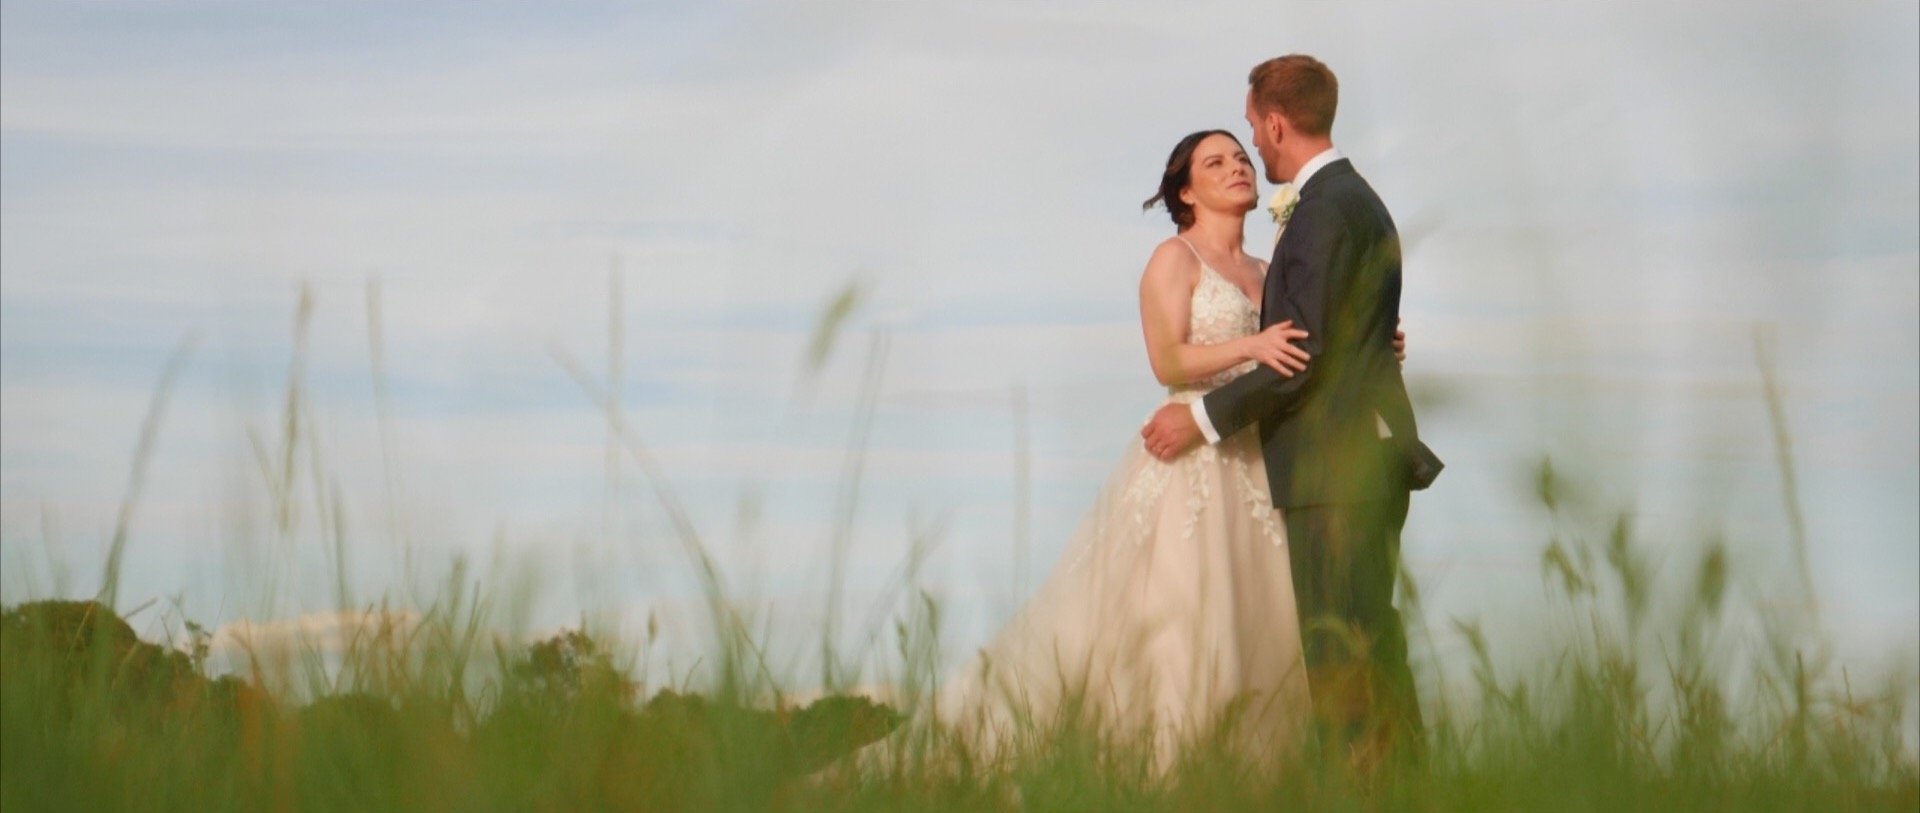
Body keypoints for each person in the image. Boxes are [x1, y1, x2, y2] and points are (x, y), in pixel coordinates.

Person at [927, 124, 1407, 772]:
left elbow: (1307, 350)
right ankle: (1175, 763)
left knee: (1274, 621)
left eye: (1241, 156)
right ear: (1187, 190)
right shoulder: (1172, 259)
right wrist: (1249, 345)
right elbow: (1168, 359)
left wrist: (1370, 346)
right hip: (1192, 460)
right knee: (1186, 614)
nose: (1237, 166)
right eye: (1216, 161)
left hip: (1261, 459)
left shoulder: (1270, 268)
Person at [1141, 54, 1442, 768]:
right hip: (1332, 459)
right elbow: (1325, 329)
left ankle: (1371, 787)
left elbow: (1300, 350)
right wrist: (1369, 345)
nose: (1247, 153)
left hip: (1331, 465)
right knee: (1366, 640)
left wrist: (1205, 418)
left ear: (1276, 123)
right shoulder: (1348, 201)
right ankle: (1400, 784)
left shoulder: (1321, 212)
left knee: (1344, 649)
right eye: (1216, 158)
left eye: (1249, 135)